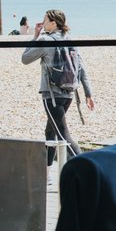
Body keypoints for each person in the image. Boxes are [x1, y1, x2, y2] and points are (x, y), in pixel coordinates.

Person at [21, 10, 95, 170]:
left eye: (45, 20)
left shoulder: (45, 40)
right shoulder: (69, 40)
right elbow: (82, 68)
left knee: (62, 134)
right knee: (50, 130)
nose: (42, 23)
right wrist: (88, 93)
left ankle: (89, 168)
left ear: (54, 23)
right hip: (69, 94)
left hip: (51, 95)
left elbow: (25, 59)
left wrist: (35, 37)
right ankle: (47, 170)